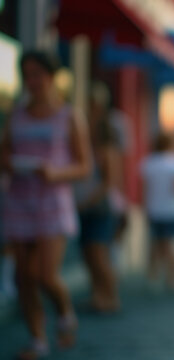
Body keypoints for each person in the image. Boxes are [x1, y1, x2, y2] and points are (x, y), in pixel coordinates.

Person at [0, 50, 91, 359]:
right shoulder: (16, 114)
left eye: (38, 73)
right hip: (19, 200)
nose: (32, 81)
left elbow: (84, 166)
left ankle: (65, 311)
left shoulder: (69, 115)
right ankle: (37, 338)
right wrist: (10, 164)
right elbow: (4, 154)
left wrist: (55, 172)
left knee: (44, 274)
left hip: (53, 201)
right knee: (22, 276)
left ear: (52, 77)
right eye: (27, 74)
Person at [74, 81, 123, 313]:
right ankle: (98, 294)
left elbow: (109, 182)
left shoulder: (107, 147)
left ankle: (110, 297)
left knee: (98, 253)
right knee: (89, 253)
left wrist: (88, 200)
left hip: (100, 208)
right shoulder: (89, 145)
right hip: (86, 206)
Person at [141, 132, 174, 291]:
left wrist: (144, 207)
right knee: (170, 244)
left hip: (154, 209)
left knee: (154, 244)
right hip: (173, 209)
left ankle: (153, 277)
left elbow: (144, 189)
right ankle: (173, 277)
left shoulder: (148, 162)